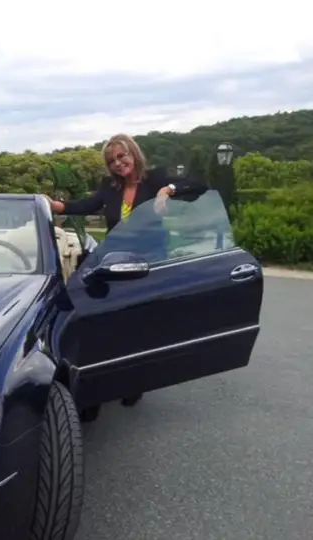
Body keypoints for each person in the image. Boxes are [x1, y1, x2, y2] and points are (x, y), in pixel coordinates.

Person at [46, 133, 207, 407]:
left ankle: (134, 381)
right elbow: (87, 205)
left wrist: (168, 190)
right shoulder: (110, 186)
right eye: (112, 161)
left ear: (133, 153)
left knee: (139, 325)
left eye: (122, 156)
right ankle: (100, 382)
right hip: (116, 262)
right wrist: (55, 206)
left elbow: (199, 184)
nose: (118, 163)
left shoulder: (155, 178)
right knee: (108, 321)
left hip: (147, 264)